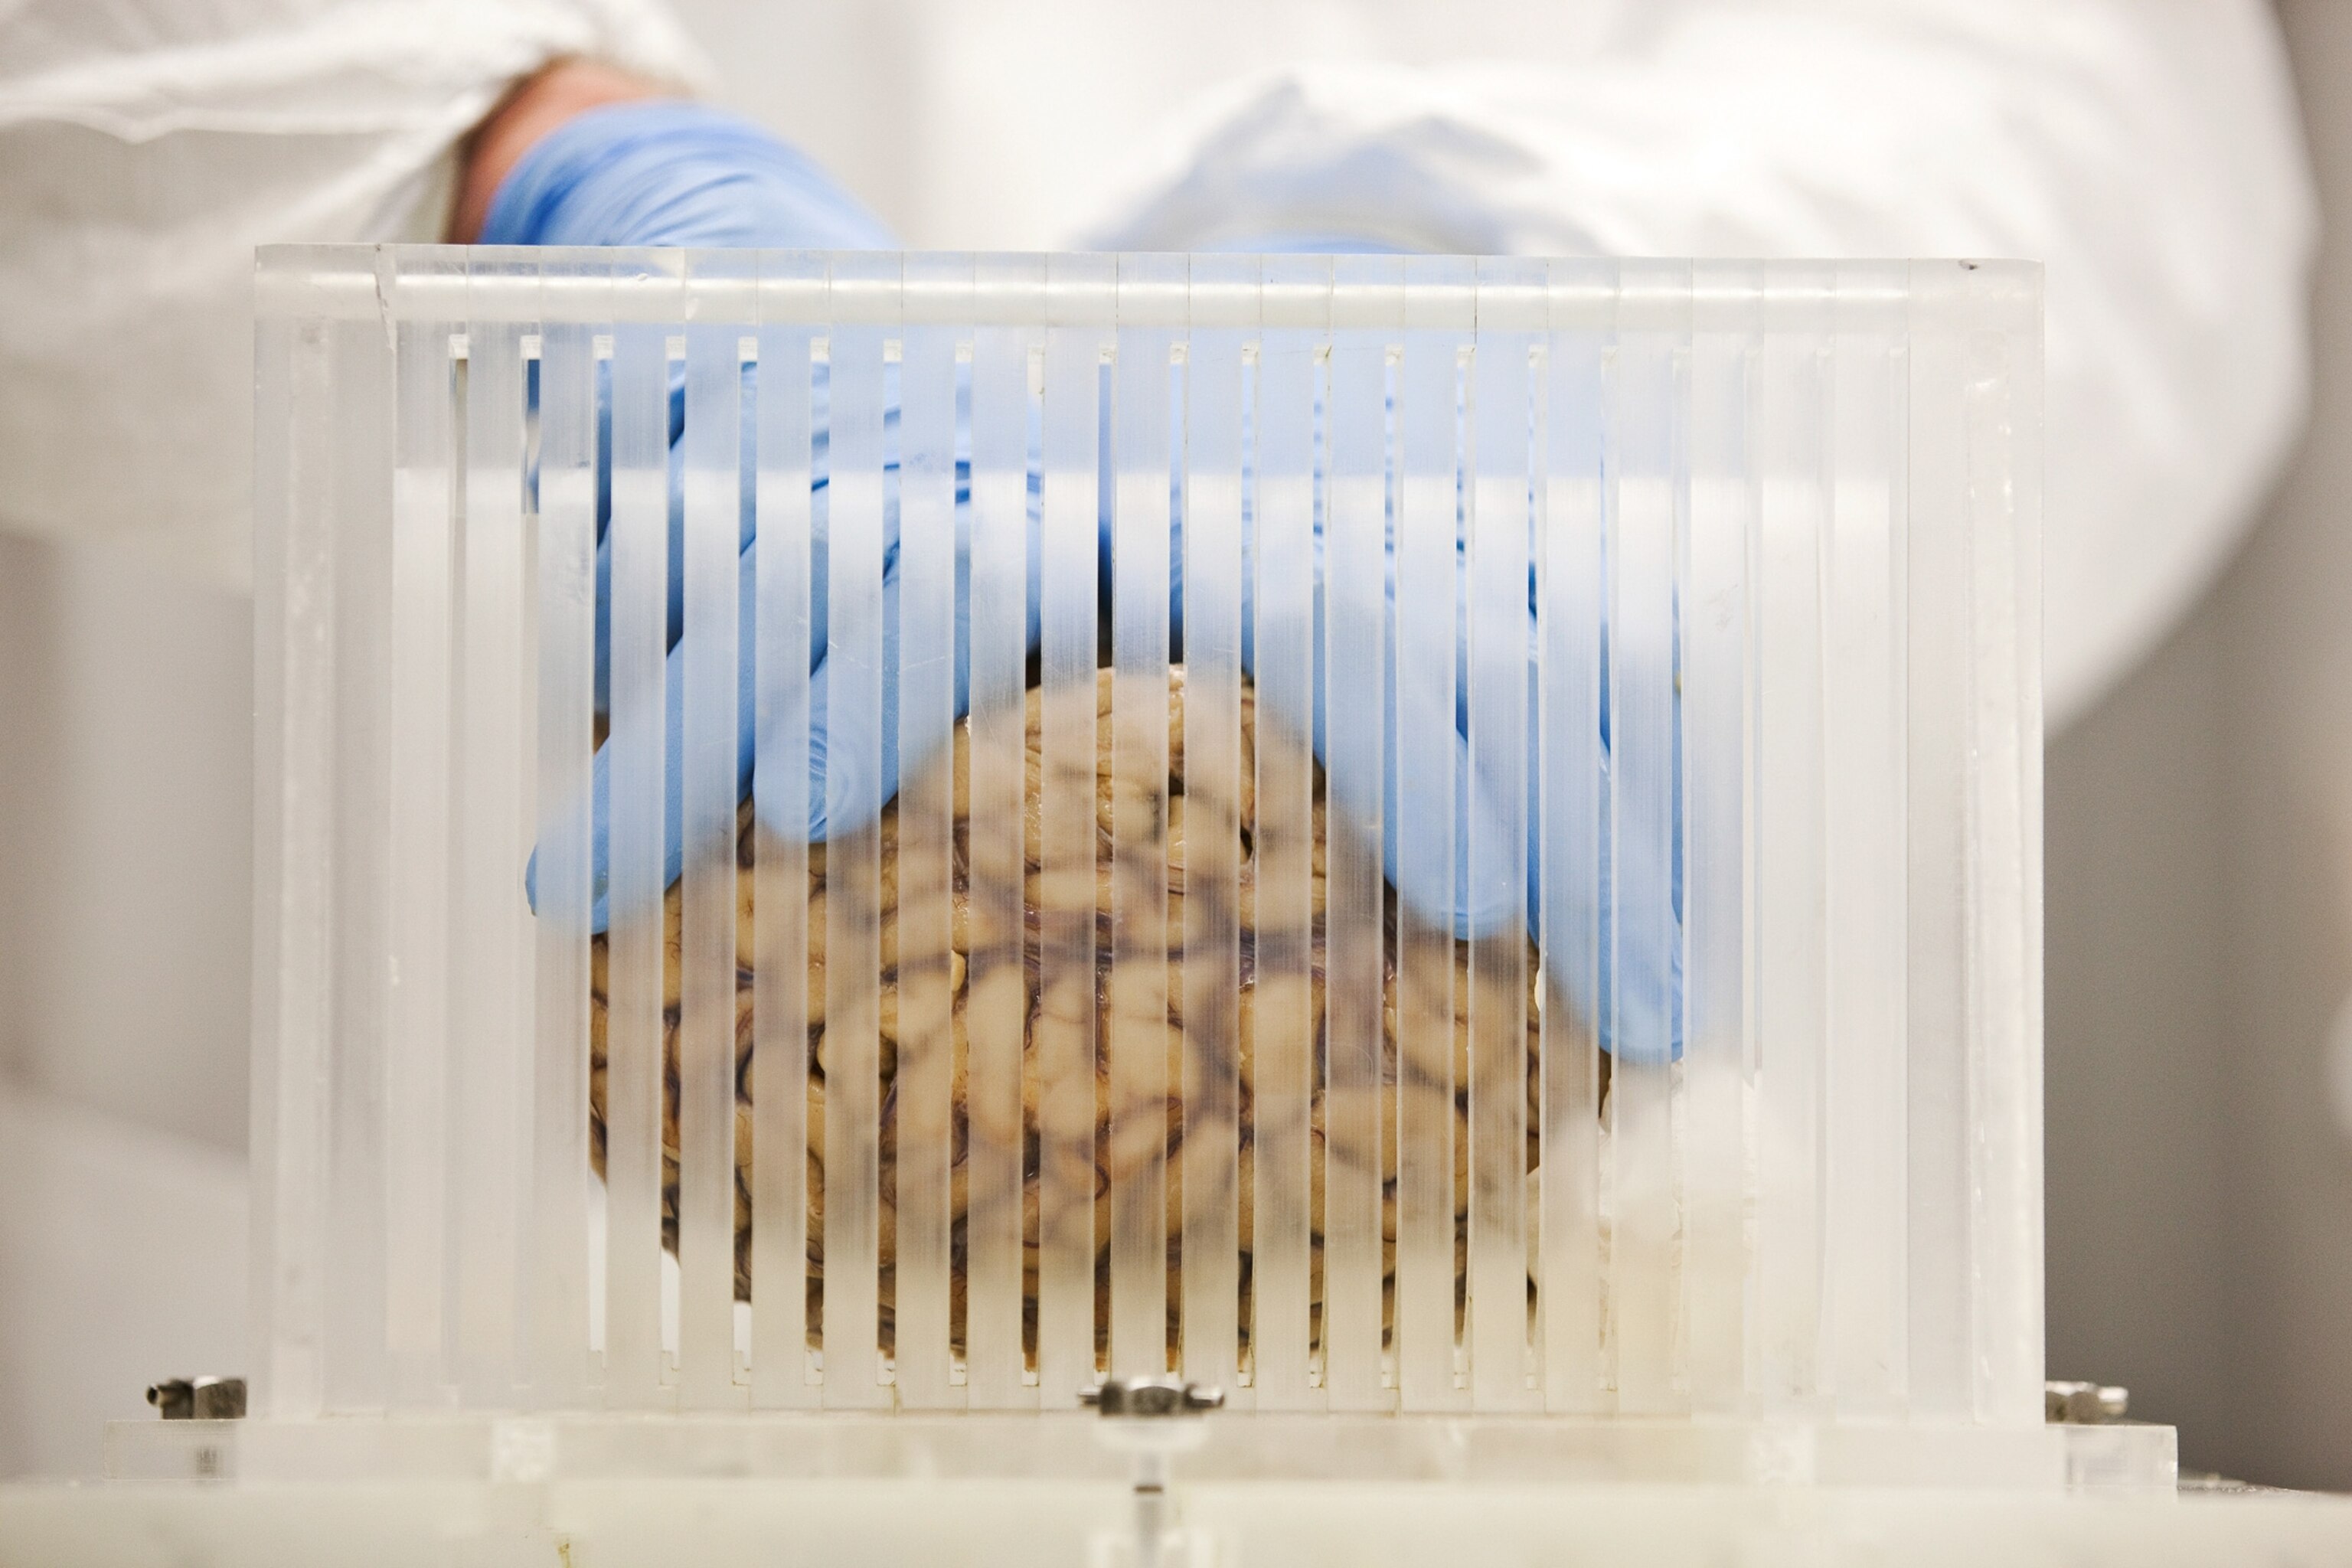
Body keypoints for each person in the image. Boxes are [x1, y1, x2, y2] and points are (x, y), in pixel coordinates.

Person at [0, 0, 2316, 1476]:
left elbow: (2084, 105)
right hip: (354, 1303)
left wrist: (1535, 292)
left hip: (1505, 1372)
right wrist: (508, 146)